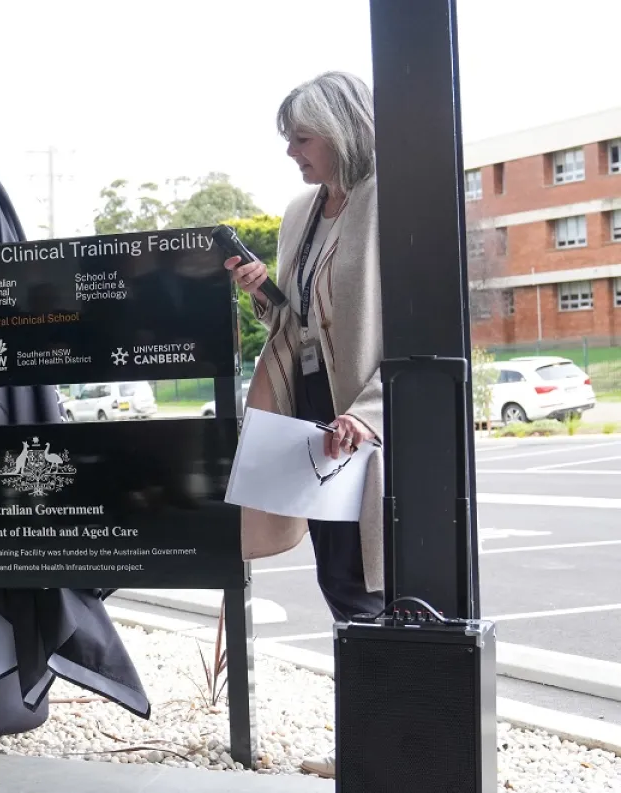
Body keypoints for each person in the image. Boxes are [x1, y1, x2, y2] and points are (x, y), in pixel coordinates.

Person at [224, 71, 385, 779]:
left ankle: (383, 740)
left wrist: (368, 414)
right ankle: (368, 739)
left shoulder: (390, 201)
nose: (293, 152)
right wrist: (268, 294)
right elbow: (300, 326)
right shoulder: (302, 214)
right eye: (288, 140)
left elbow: (409, 330)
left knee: (369, 583)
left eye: (302, 137)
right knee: (340, 580)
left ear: (342, 128)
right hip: (313, 412)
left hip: (369, 416)